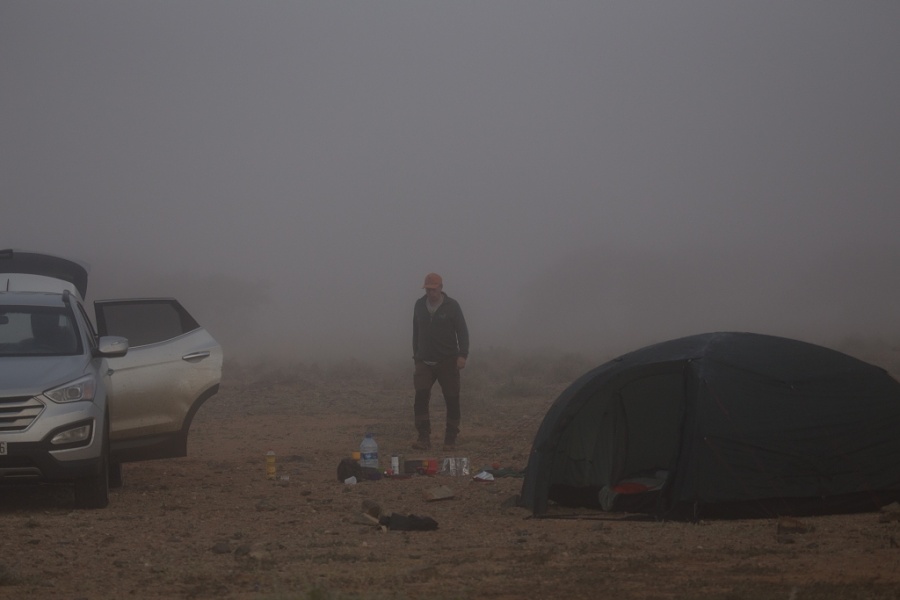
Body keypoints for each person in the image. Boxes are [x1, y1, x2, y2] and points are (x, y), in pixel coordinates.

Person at [412, 272, 469, 451]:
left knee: (452, 399)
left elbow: (462, 331)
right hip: (424, 360)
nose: (430, 293)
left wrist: (462, 355)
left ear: (441, 288)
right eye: (428, 289)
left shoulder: (452, 306)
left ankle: (450, 439)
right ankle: (423, 437)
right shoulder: (419, 305)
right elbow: (416, 332)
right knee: (420, 398)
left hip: (448, 360)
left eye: (434, 289)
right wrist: (416, 355)